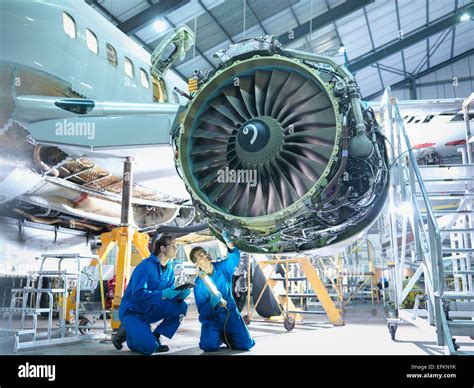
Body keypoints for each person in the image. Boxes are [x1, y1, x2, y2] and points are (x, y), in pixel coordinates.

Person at [112, 234, 190, 354]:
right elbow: (137, 295)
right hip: (132, 312)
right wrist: (163, 293)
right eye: (173, 246)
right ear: (163, 248)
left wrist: (179, 296)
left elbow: (169, 294)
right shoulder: (145, 266)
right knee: (150, 348)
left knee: (182, 306)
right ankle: (127, 334)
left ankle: (156, 335)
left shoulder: (169, 268)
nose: (176, 249)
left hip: (150, 310)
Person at [189, 231, 255, 352]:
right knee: (209, 345)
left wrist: (229, 242)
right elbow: (202, 310)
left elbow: (234, 259)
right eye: (200, 255)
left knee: (246, 344)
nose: (205, 255)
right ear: (196, 263)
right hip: (212, 320)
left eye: (204, 252)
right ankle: (218, 336)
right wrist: (212, 303)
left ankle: (228, 336)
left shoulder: (222, 267)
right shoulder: (199, 283)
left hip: (231, 315)